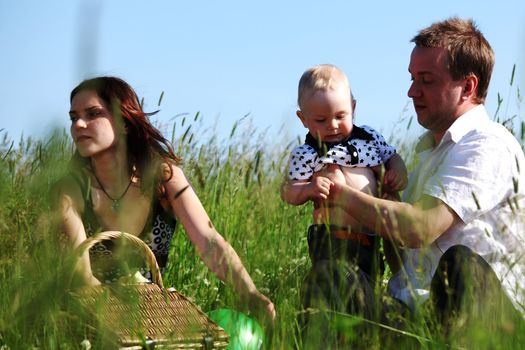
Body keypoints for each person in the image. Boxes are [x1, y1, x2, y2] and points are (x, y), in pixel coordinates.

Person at [325, 17, 525, 334]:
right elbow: (408, 266)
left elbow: (420, 227)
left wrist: (340, 194)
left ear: (468, 87)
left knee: (461, 266)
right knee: (337, 279)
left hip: (488, 320)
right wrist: (382, 202)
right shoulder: (429, 155)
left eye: (426, 80)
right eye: (412, 78)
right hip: (419, 318)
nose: (412, 91)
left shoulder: (488, 145)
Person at [55, 76, 275, 321]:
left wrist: (250, 293)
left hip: (152, 318)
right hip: (87, 319)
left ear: (124, 121)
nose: (79, 125)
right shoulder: (71, 189)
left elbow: (209, 242)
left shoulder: (164, 179)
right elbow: (82, 275)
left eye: (93, 114)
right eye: (74, 117)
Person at [281, 64, 408, 323]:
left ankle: (363, 332)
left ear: (354, 107)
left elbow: (393, 156)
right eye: (321, 120)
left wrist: (397, 173)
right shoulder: (307, 154)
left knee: (365, 296)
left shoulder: (369, 138)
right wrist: (308, 189)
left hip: (370, 239)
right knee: (332, 290)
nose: (333, 125)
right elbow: (288, 191)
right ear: (303, 119)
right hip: (333, 240)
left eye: (341, 115)